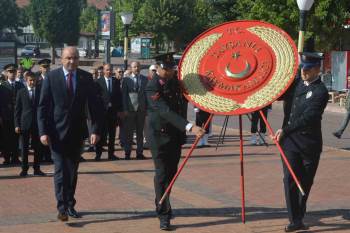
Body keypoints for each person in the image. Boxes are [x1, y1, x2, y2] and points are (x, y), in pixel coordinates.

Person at [37, 47, 103, 222]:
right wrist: (43, 131)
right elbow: (42, 106)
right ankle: (62, 208)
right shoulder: (51, 77)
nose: (71, 61)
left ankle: (70, 204)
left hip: (77, 132)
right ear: (61, 59)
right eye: (68, 58)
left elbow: (94, 107)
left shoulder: (86, 78)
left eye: (74, 58)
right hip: (56, 133)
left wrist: (94, 130)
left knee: (72, 172)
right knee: (60, 171)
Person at [145, 53, 204, 230]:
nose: (170, 72)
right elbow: (165, 112)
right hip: (159, 137)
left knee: (171, 173)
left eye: (172, 69)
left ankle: (163, 201)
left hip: (175, 136)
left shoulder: (175, 83)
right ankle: (164, 213)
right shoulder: (152, 87)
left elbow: (189, 98)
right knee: (162, 174)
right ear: (158, 67)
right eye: (167, 69)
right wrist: (190, 127)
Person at [274, 52, 328, 232]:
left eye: (308, 69)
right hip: (289, 142)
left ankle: (299, 211)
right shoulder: (295, 84)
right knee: (290, 179)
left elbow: (309, 117)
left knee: (305, 182)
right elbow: (277, 93)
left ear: (317, 69)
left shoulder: (321, 92)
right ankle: (295, 219)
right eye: (302, 69)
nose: (304, 72)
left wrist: (286, 129)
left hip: (309, 143)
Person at [15, 71, 45, 177]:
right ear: (26, 81)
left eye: (34, 80)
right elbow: (17, 110)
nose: (32, 82)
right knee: (24, 148)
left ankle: (37, 168)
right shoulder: (21, 92)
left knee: (38, 147)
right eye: (30, 80)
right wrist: (17, 124)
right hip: (25, 124)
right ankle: (24, 169)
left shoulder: (41, 91)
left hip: (38, 124)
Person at [95, 64, 123, 161]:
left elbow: (119, 96)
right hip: (102, 112)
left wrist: (119, 110)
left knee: (112, 135)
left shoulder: (116, 81)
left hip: (113, 113)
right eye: (107, 70)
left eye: (110, 70)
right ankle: (98, 154)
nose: (109, 72)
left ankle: (111, 154)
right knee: (101, 134)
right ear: (103, 71)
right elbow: (97, 98)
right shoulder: (98, 82)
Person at [121, 61, 148, 160]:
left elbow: (146, 95)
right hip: (130, 109)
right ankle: (127, 152)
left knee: (140, 132)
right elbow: (124, 96)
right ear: (131, 68)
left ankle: (139, 152)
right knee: (129, 132)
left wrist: (147, 108)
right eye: (134, 67)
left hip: (141, 109)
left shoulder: (144, 79)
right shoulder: (126, 80)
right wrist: (125, 109)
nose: (136, 68)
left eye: (138, 67)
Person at [1, 64, 25, 165]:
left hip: (18, 116)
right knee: (6, 137)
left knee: (16, 137)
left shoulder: (20, 85)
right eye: (10, 72)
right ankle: (7, 158)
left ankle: (15, 157)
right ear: (6, 73)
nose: (12, 73)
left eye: (14, 72)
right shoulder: (2, 86)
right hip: (6, 116)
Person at [36, 58, 52, 163]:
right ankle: (41, 156)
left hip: (50, 111)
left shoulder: (52, 79)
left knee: (50, 133)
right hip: (40, 111)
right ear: (40, 68)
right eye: (44, 67)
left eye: (47, 67)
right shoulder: (36, 81)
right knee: (40, 134)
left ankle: (48, 156)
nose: (46, 69)